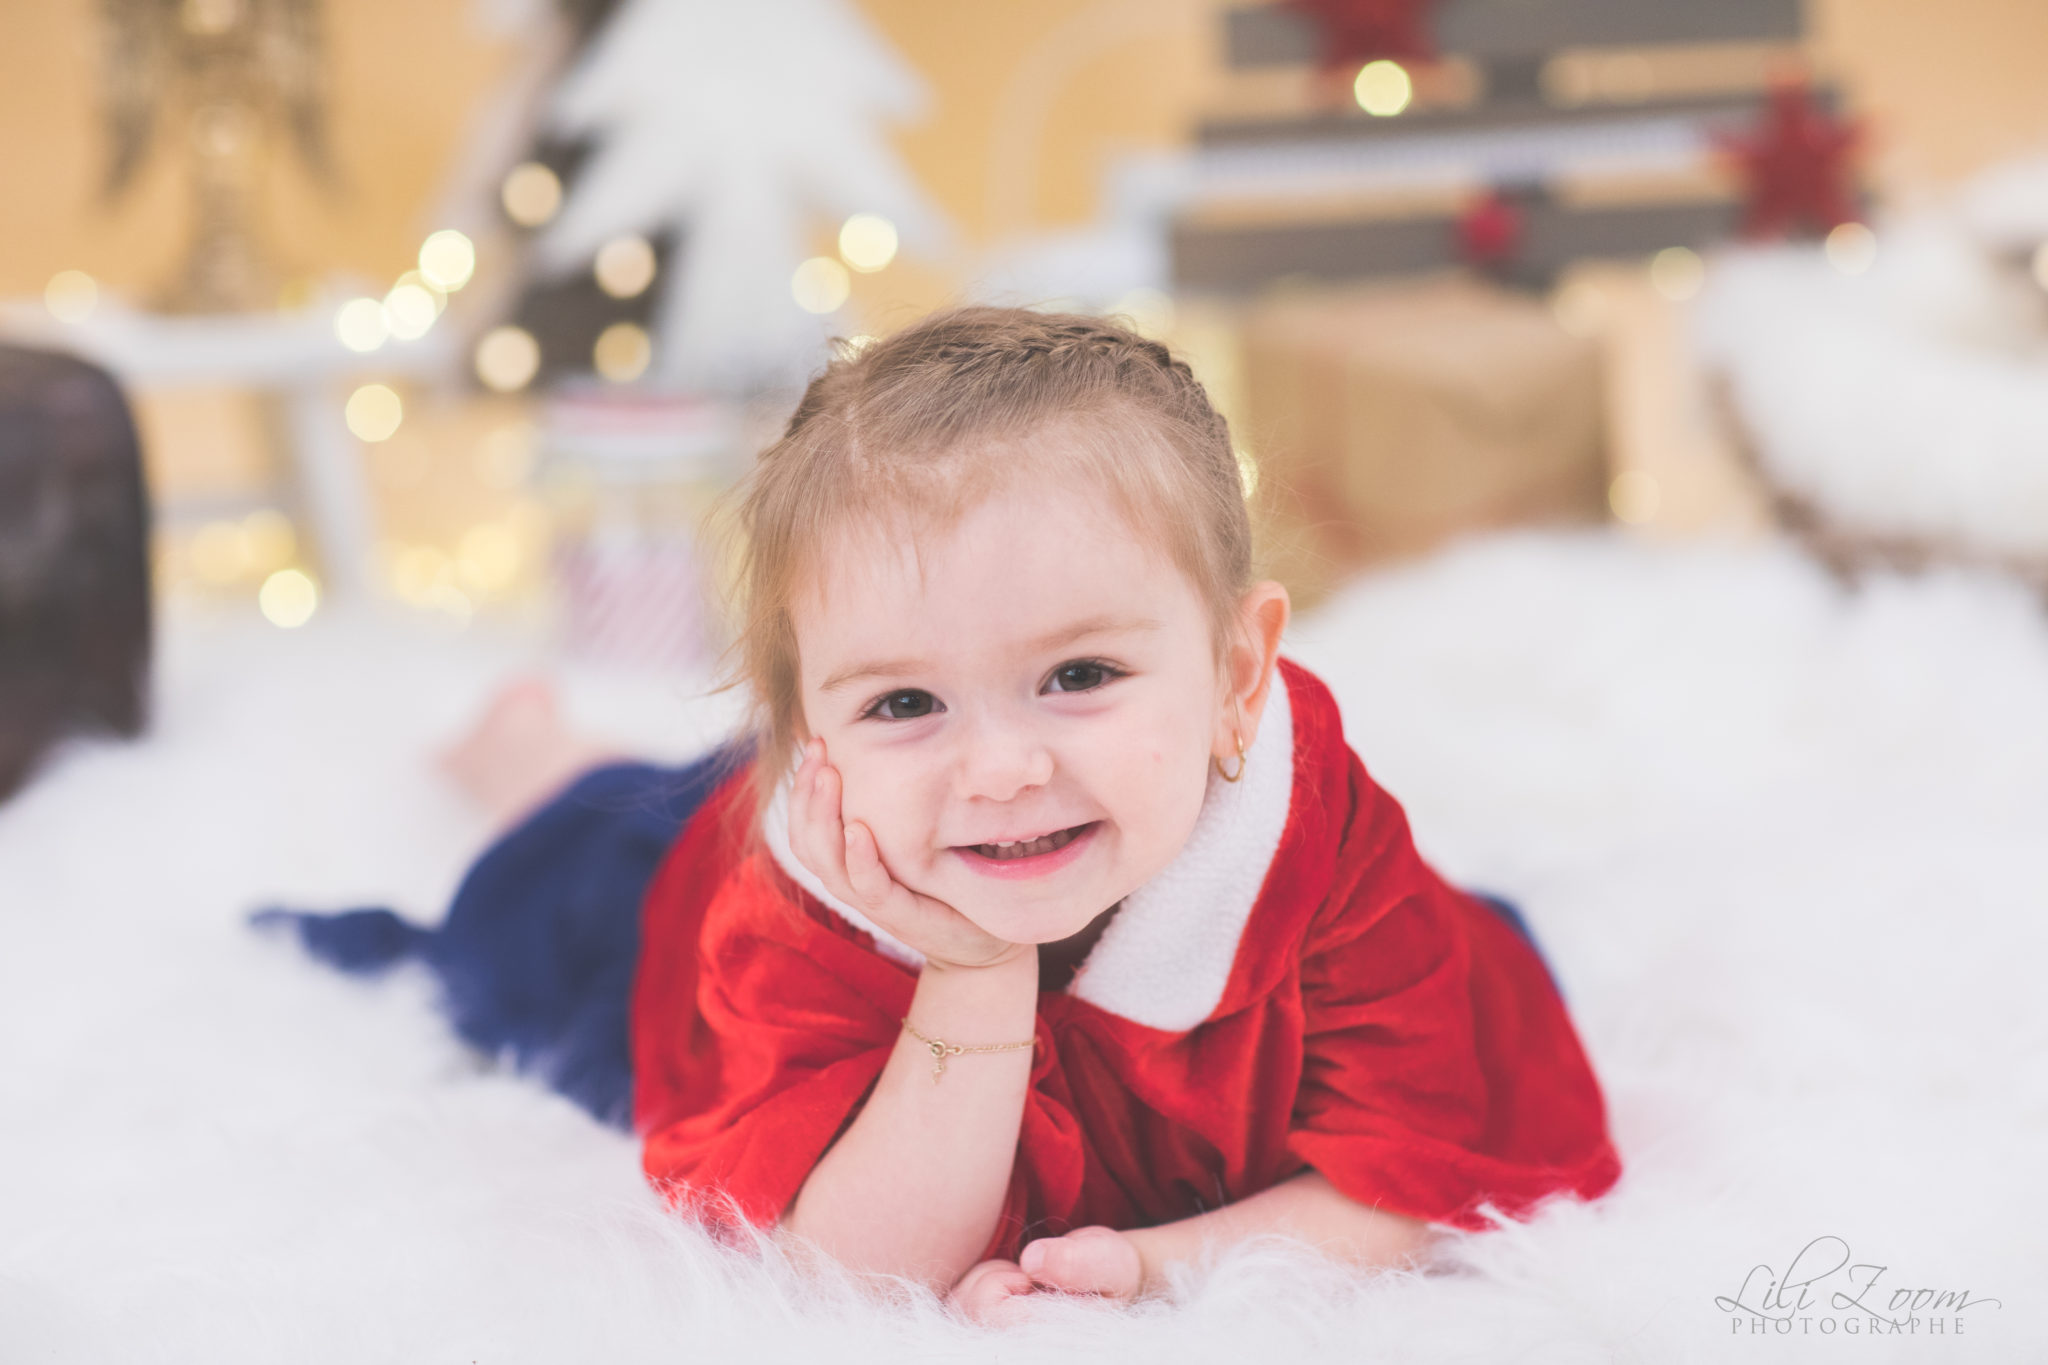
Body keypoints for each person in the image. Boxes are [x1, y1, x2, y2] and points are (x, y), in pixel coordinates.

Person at [261, 306, 1621, 1324]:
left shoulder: (1316, 844)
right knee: (573, 864)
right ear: (812, 738)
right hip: (667, 905)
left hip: (877, 810)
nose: (1001, 770)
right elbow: (851, 1269)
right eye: (906, 702)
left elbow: (1408, 1181)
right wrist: (971, 976)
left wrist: (1155, 1266)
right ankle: (533, 749)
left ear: (1236, 678)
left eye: (1078, 676)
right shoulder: (798, 897)